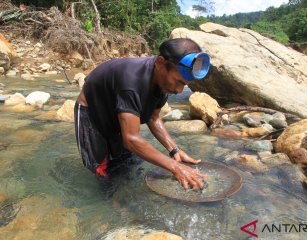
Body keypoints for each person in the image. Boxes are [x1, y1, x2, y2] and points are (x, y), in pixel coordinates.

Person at [74, 38, 211, 191]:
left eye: (184, 85)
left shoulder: (163, 81)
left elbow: (153, 118)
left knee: (127, 163)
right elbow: (131, 139)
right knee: (103, 173)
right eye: (178, 82)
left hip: (119, 111)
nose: (179, 91)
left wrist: (175, 150)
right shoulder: (131, 81)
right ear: (160, 63)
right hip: (93, 112)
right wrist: (176, 167)